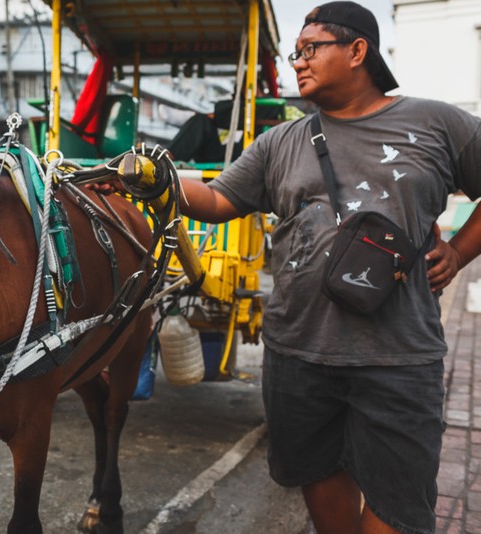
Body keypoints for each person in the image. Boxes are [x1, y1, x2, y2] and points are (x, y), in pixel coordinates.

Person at [95, 2, 481, 532]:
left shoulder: (436, 122)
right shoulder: (281, 141)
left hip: (399, 359)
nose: (297, 61)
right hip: (297, 355)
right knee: (321, 487)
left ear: (357, 51)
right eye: (295, 52)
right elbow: (213, 200)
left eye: (309, 49)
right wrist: (152, 182)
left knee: (400, 511)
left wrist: (459, 250)